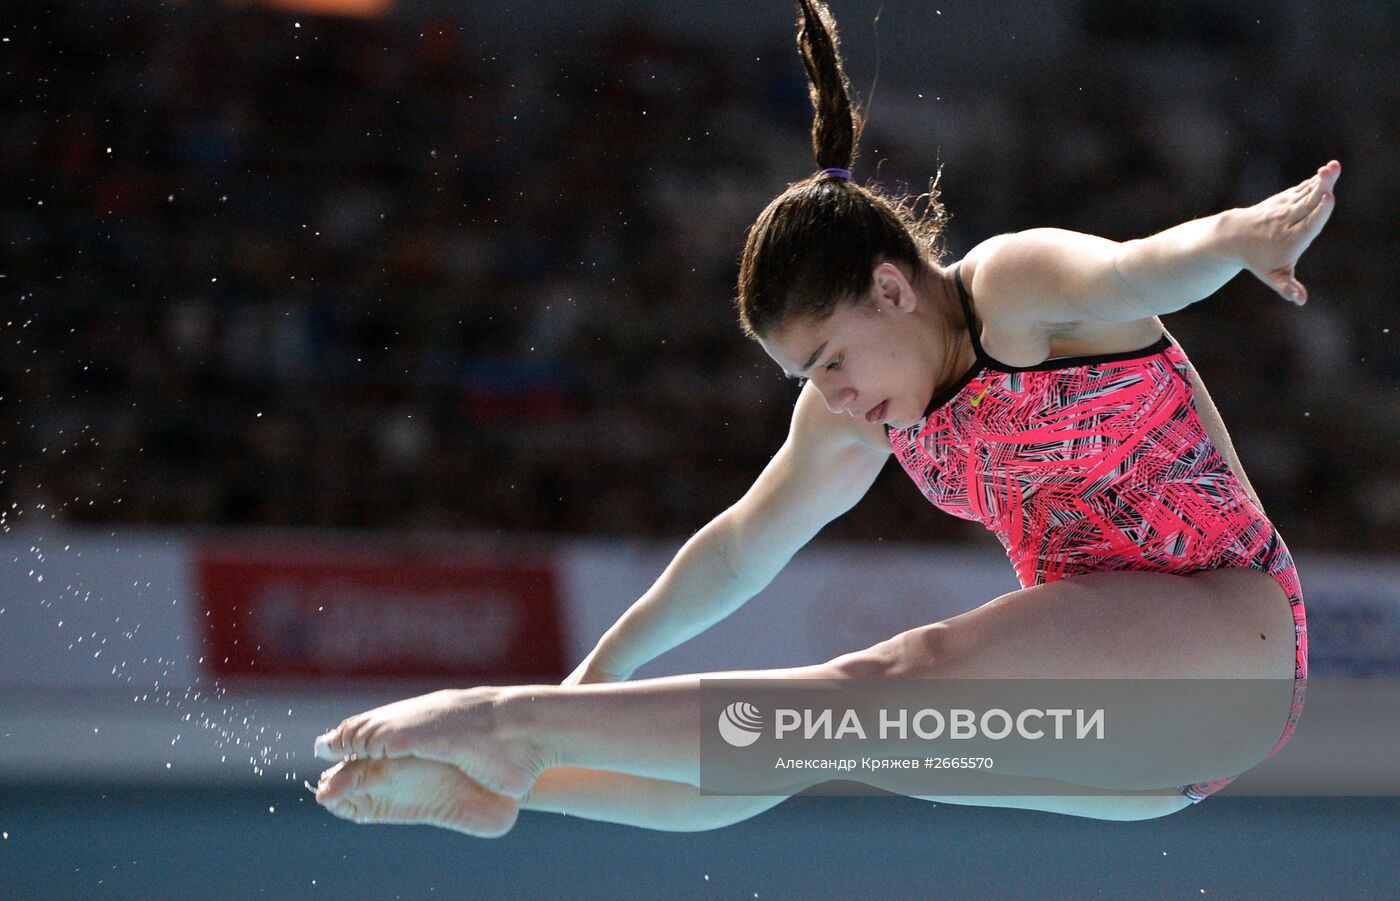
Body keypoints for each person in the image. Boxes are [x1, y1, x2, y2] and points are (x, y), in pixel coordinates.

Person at [312, 0, 1335, 834]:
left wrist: (1235, 237)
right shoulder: (859, 417)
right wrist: (594, 683)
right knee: (810, 744)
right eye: (805, 374)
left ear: (894, 289)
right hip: (1148, 763)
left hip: (1228, 638)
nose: (832, 393)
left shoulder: (1011, 296)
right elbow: (737, 552)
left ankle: (509, 729)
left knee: (890, 678)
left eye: (832, 357)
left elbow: (1136, 267)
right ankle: (513, 788)